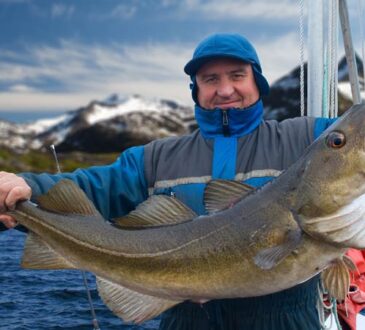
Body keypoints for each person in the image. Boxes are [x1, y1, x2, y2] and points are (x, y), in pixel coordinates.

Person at [0, 33, 349, 329]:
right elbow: (91, 187)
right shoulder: (156, 157)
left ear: (257, 81)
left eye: (237, 75)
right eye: (210, 79)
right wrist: (24, 188)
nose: (225, 89)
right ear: (195, 89)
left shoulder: (311, 138)